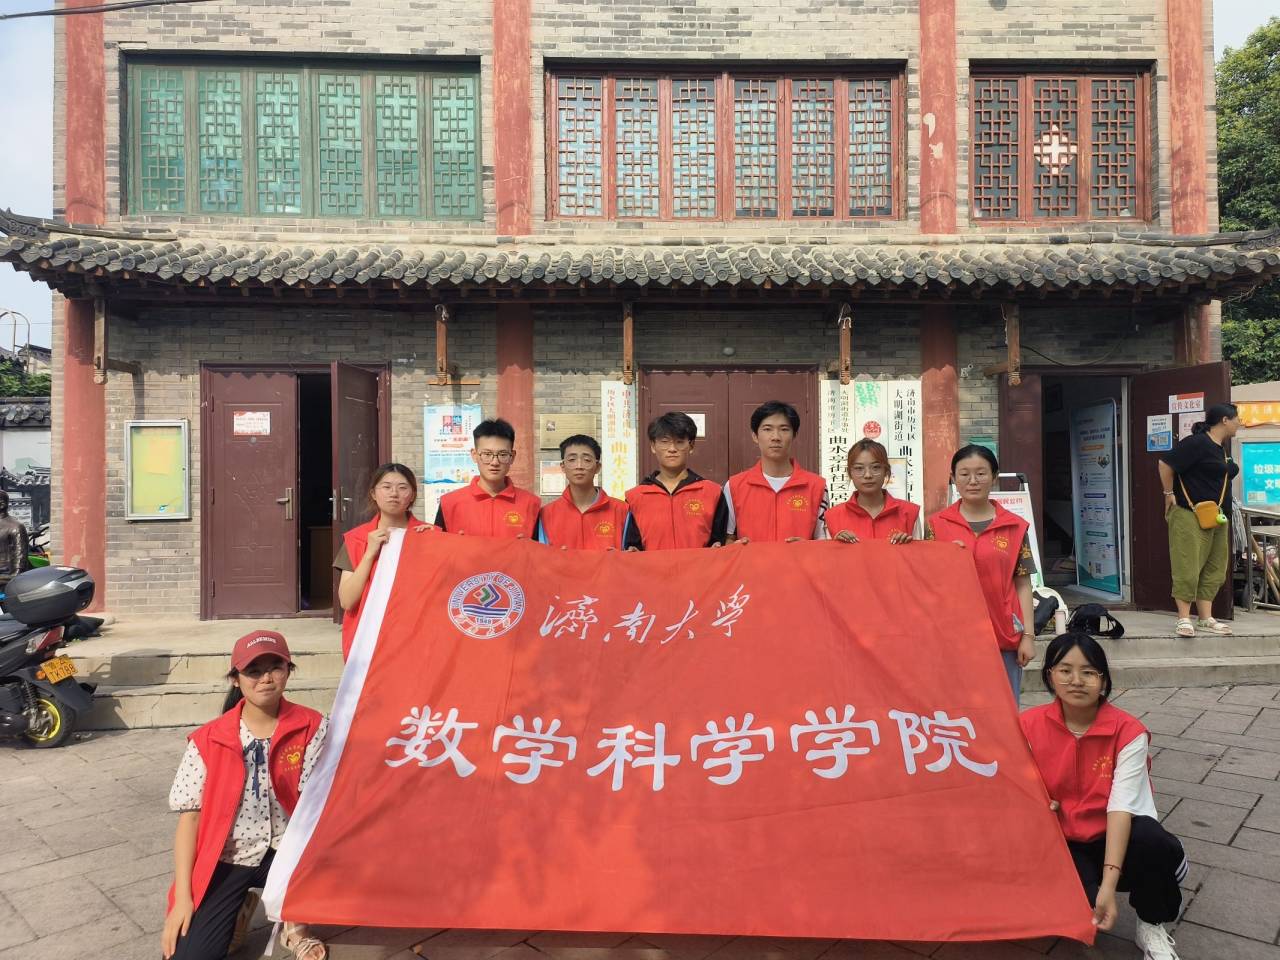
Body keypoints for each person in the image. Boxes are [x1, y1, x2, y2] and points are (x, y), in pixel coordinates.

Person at [162, 630, 329, 960]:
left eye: (275, 667)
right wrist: (183, 899)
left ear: (288, 670)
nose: (266, 678)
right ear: (235, 679)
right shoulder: (208, 740)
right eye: (253, 671)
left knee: (353, 868)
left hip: (290, 853)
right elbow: (189, 821)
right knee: (190, 955)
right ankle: (241, 906)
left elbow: (322, 800)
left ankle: (295, 927)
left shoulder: (312, 727)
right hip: (230, 858)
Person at [1021, 633, 1187, 960]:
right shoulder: (1027, 725)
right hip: (1061, 839)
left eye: (1088, 672)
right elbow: (1017, 789)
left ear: (1103, 679)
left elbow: (1121, 807)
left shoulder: (1129, 732)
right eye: (1065, 670)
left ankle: (1152, 922)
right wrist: (1037, 801)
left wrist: (1109, 887)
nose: (1076, 680)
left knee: (1152, 841)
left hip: (1116, 834)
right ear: (1050, 675)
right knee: (1076, 915)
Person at [926, 445, 1036, 700]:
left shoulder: (1014, 526)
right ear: (953, 478)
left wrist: (1028, 636)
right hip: (952, 636)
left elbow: (1023, 584)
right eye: (964, 474)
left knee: (1004, 707)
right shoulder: (936, 525)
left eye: (981, 473)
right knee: (957, 709)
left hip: (1003, 634)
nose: (973, 481)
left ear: (994, 476)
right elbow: (927, 582)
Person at [1158, 402, 1241, 638]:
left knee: (1215, 567)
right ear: (1225, 420)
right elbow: (1165, 464)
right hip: (1189, 513)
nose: (1240, 423)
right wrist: (1168, 493)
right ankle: (1184, 618)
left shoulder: (1221, 448)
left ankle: (1205, 618)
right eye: (1237, 419)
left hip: (1217, 515)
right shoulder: (1197, 443)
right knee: (1187, 566)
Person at [334, 463, 418, 660]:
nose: (394, 493)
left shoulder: (430, 536)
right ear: (373, 493)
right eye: (386, 487)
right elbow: (347, 601)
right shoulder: (356, 539)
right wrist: (369, 553)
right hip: (368, 641)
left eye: (402, 487)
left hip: (414, 639)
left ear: (413, 495)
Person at [724, 400, 828, 543]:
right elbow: (727, 537)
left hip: (800, 559)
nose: (776, 437)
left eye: (784, 429)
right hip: (753, 559)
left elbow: (823, 540)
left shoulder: (817, 486)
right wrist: (734, 547)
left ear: (794, 435)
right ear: (755, 436)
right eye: (767, 429)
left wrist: (806, 547)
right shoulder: (734, 486)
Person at [623, 412, 729, 550]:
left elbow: (721, 541)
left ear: (691, 446)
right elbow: (630, 545)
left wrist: (718, 548)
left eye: (679, 442)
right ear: (653, 446)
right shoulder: (635, 497)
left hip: (699, 565)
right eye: (664, 442)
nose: (672, 449)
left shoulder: (712, 492)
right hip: (652, 565)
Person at [435, 418, 541, 539]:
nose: (495, 462)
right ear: (474, 455)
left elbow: (541, 549)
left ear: (512, 457)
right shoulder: (449, 503)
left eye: (503, 454)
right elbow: (437, 548)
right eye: (487, 454)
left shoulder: (531, 504)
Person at [535, 434, 629, 550]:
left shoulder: (622, 511)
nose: (579, 466)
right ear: (563, 466)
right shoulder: (546, 514)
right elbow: (540, 556)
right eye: (572, 460)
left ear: (598, 467)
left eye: (587, 460)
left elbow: (632, 555)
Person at [825, 438, 921, 544]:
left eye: (875, 467)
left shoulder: (909, 513)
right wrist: (837, 546)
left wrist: (907, 546)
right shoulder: (833, 517)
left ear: (886, 471)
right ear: (850, 473)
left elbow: (920, 553)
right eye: (859, 468)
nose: (868, 475)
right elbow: (824, 554)